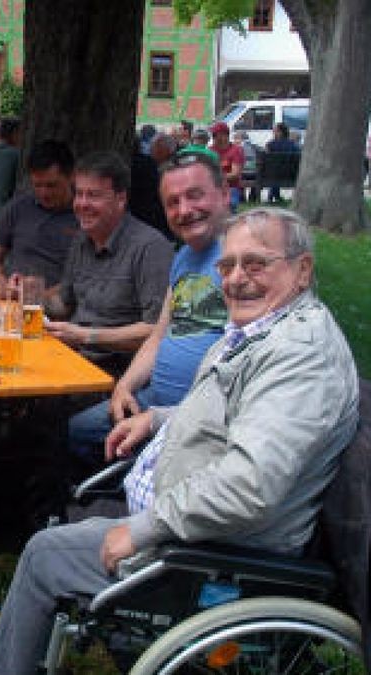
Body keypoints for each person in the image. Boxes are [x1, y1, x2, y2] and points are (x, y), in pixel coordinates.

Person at [0, 207, 360, 674]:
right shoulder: (267, 330)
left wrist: (141, 529)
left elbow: (248, 487)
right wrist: (159, 419)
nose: (237, 279)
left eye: (256, 264)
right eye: (228, 265)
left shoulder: (299, 358)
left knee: (45, 555)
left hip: (213, 550)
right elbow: (241, 415)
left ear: (302, 270)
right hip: (192, 522)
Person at [69, 151, 230, 470]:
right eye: (172, 202)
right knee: (75, 432)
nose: (184, 210)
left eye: (195, 196)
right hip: (149, 396)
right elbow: (157, 337)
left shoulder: (243, 258)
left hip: (194, 415)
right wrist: (124, 387)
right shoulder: (184, 256)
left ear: (224, 195)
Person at [44, 151, 173, 378]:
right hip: (74, 361)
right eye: (79, 194)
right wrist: (28, 296)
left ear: (120, 198)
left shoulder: (150, 247)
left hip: (116, 375)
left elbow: (155, 331)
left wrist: (86, 336)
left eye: (93, 195)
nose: (82, 204)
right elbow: (64, 305)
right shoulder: (83, 239)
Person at [0, 140, 78, 289]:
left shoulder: (85, 215)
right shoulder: (18, 207)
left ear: (72, 176)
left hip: (56, 304)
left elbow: (83, 279)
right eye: (37, 185)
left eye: (51, 185)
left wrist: (37, 296)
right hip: (13, 299)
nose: (44, 193)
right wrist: (2, 283)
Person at [209, 121, 244, 211]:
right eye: (213, 135)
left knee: (228, 206)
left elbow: (235, 174)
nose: (213, 137)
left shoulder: (236, 151)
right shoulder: (210, 150)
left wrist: (216, 177)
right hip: (212, 188)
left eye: (215, 134)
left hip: (231, 188)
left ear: (225, 135)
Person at [264, 122, 300, 204]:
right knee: (276, 171)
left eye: (275, 131)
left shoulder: (270, 145)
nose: (273, 133)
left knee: (274, 171)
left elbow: (266, 161)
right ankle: (277, 197)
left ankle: (272, 197)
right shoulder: (293, 145)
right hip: (291, 175)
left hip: (272, 175)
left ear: (280, 132)